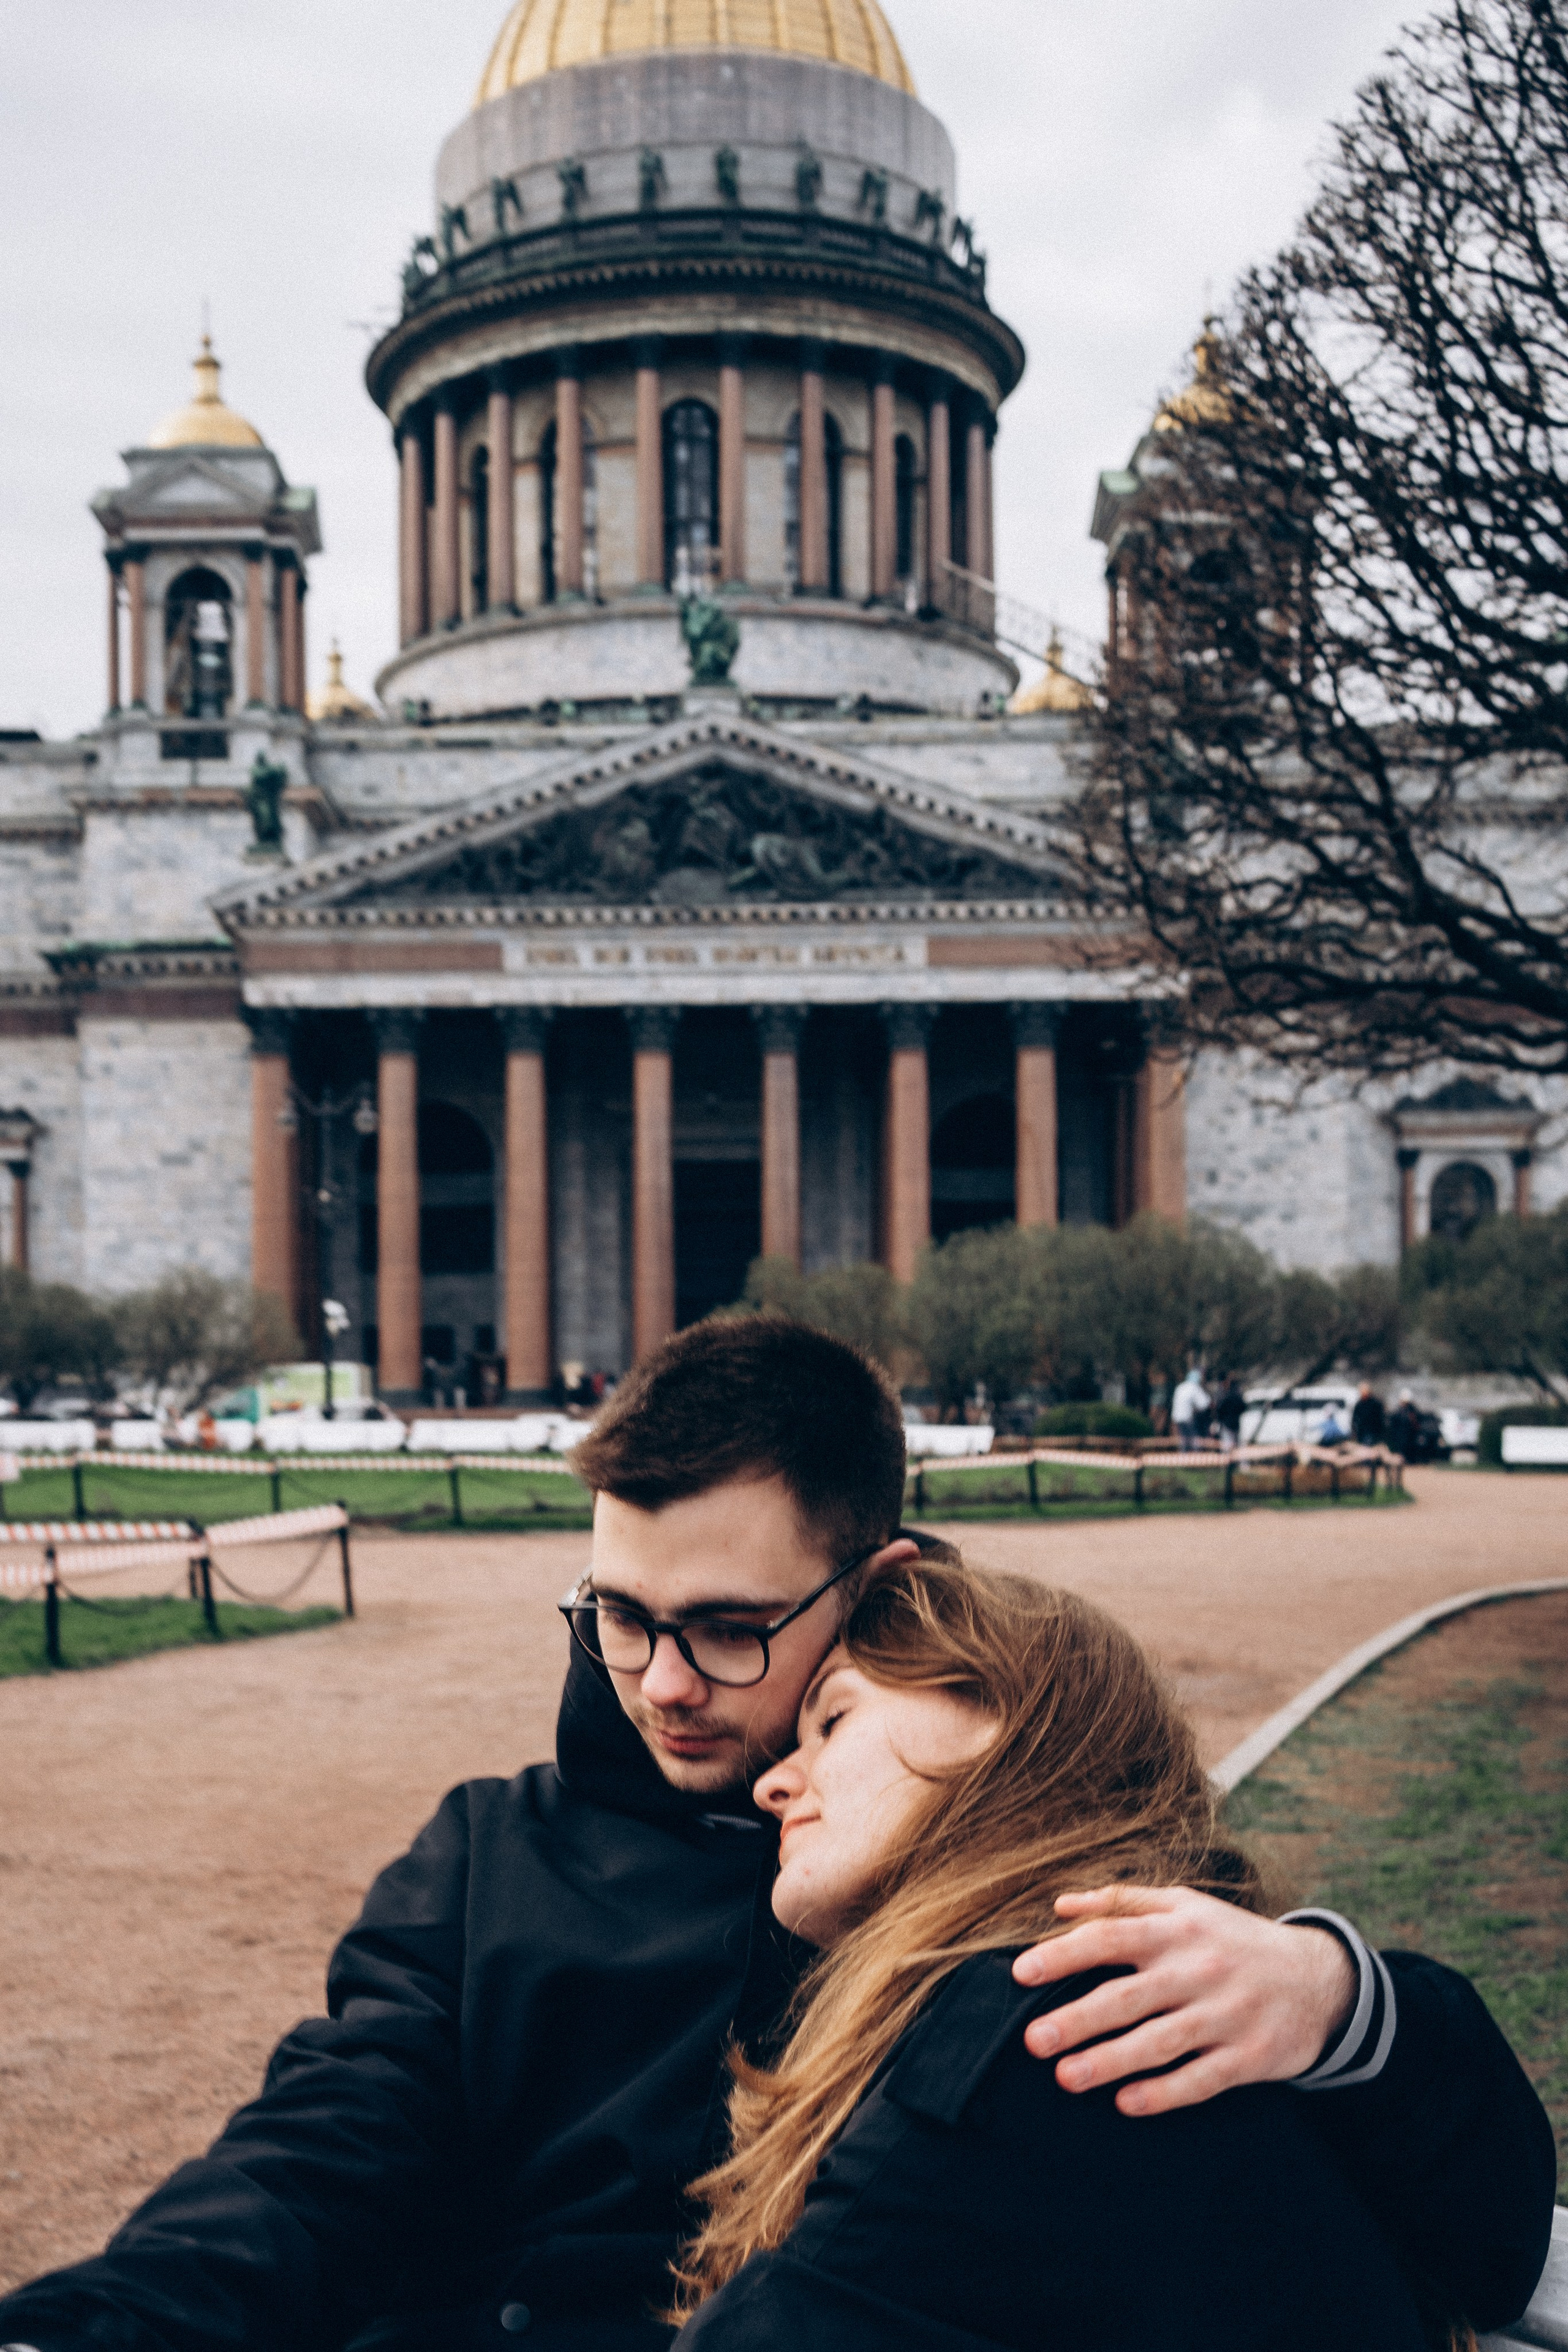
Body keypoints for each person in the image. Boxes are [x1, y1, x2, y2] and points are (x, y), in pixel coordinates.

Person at [0, 1320, 1541, 2352]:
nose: (664, 1685)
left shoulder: (1005, 1866)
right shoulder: (492, 1852)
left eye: (730, 1627)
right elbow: (318, 2152)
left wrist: (1343, 2001)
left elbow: (1430, 2223)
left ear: (880, 1583)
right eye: (620, 1617)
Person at [671, 1559, 1556, 2350]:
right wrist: (1344, 1996)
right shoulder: (1126, 1988)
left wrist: (1340, 1993)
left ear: (1001, 1717)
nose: (773, 1783)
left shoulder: (1038, 2026)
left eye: (833, 1719)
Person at [1170, 1362, 1210, 1452]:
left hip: (1177, 1418)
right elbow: (1204, 1404)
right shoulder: (1194, 1387)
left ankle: (1183, 1457)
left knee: (1183, 1441)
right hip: (1188, 1418)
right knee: (1194, 1440)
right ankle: (1196, 1457)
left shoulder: (1180, 1387)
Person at [1213, 1371, 1245, 1451]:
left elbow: (1242, 1407)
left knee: (1235, 1449)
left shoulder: (1233, 1393)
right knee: (1228, 1449)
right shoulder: (1221, 1394)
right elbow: (1218, 1410)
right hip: (1227, 1426)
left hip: (1233, 1424)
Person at [1352, 1381, 1388, 1447]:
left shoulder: (1376, 1403)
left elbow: (1381, 1419)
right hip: (1362, 1433)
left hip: (1374, 1433)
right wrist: (1355, 1431)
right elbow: (1355, 1419)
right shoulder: (1359, 1405)